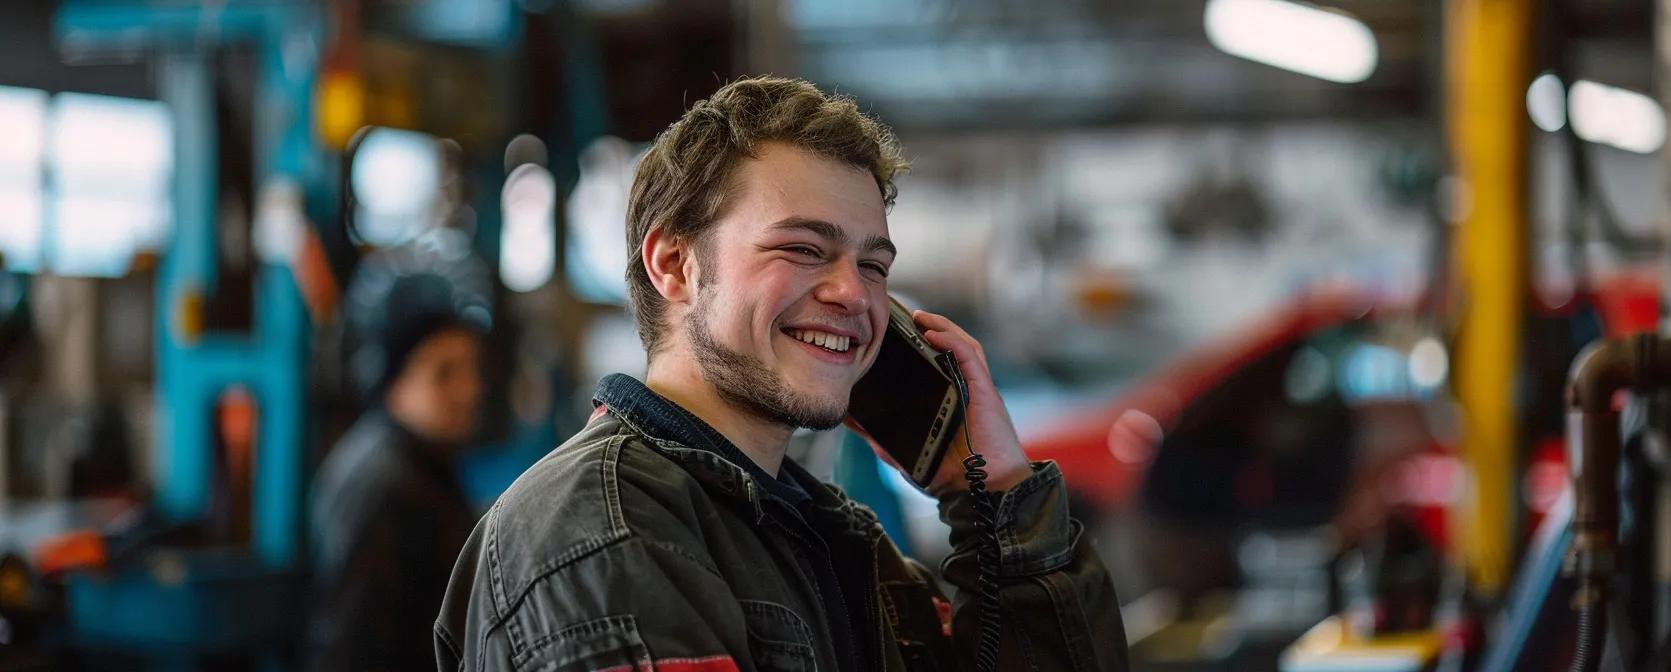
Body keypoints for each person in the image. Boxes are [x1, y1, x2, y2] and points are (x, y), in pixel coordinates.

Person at [436, 76, 1125, 671]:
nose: (855, 295)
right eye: (802, 248)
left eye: (874, 265)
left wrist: (995, 493)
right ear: (674, 266)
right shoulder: (603, 534)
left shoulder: (834, 543)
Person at [308, 268, 488, 672]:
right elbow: (351, 651)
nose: (470, 390)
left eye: (470, 368)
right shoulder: (384, 488)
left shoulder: (424, 464)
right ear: (392, 381)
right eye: (444, 373)